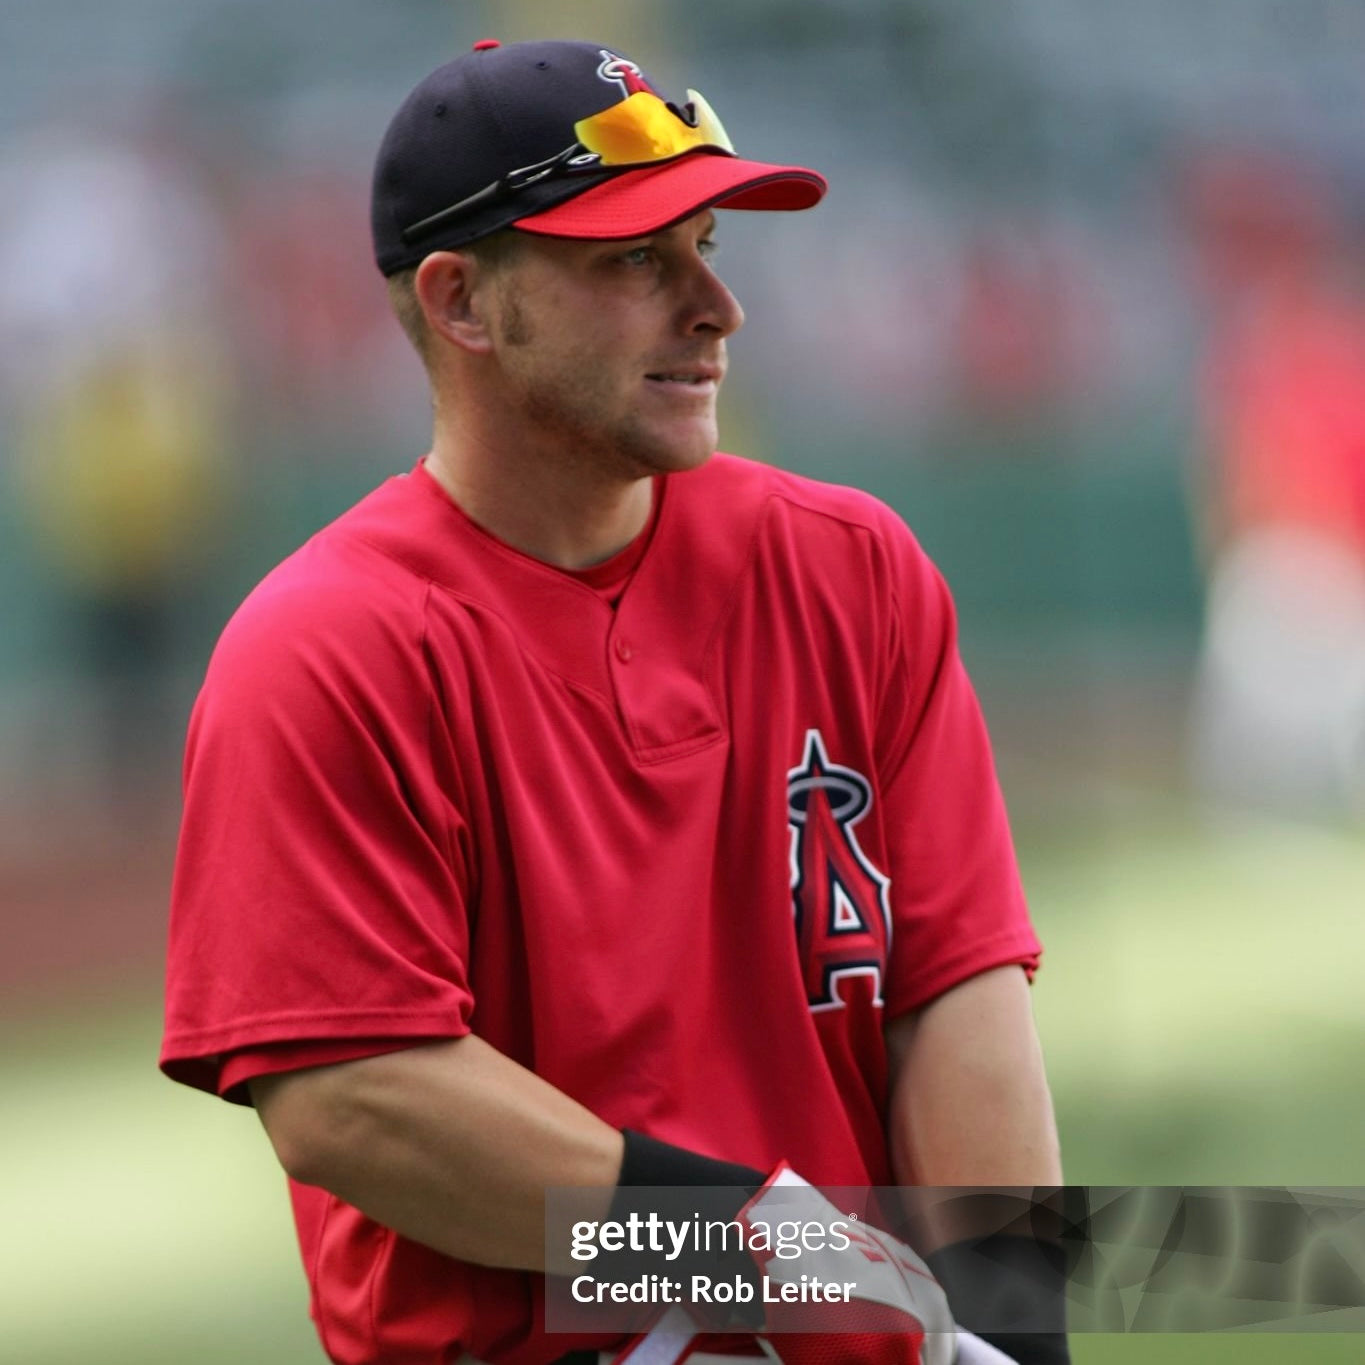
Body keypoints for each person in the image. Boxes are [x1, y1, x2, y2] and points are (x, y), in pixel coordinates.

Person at [160, 38, 1067, 1365]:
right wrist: (761, 1256)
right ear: (461, 301)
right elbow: (354, 1101)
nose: (713, 305)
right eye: (634, 259)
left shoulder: (849, 567)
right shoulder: (325, 645)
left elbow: (950, 990)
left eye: (703, 243)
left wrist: (1003, 1334)